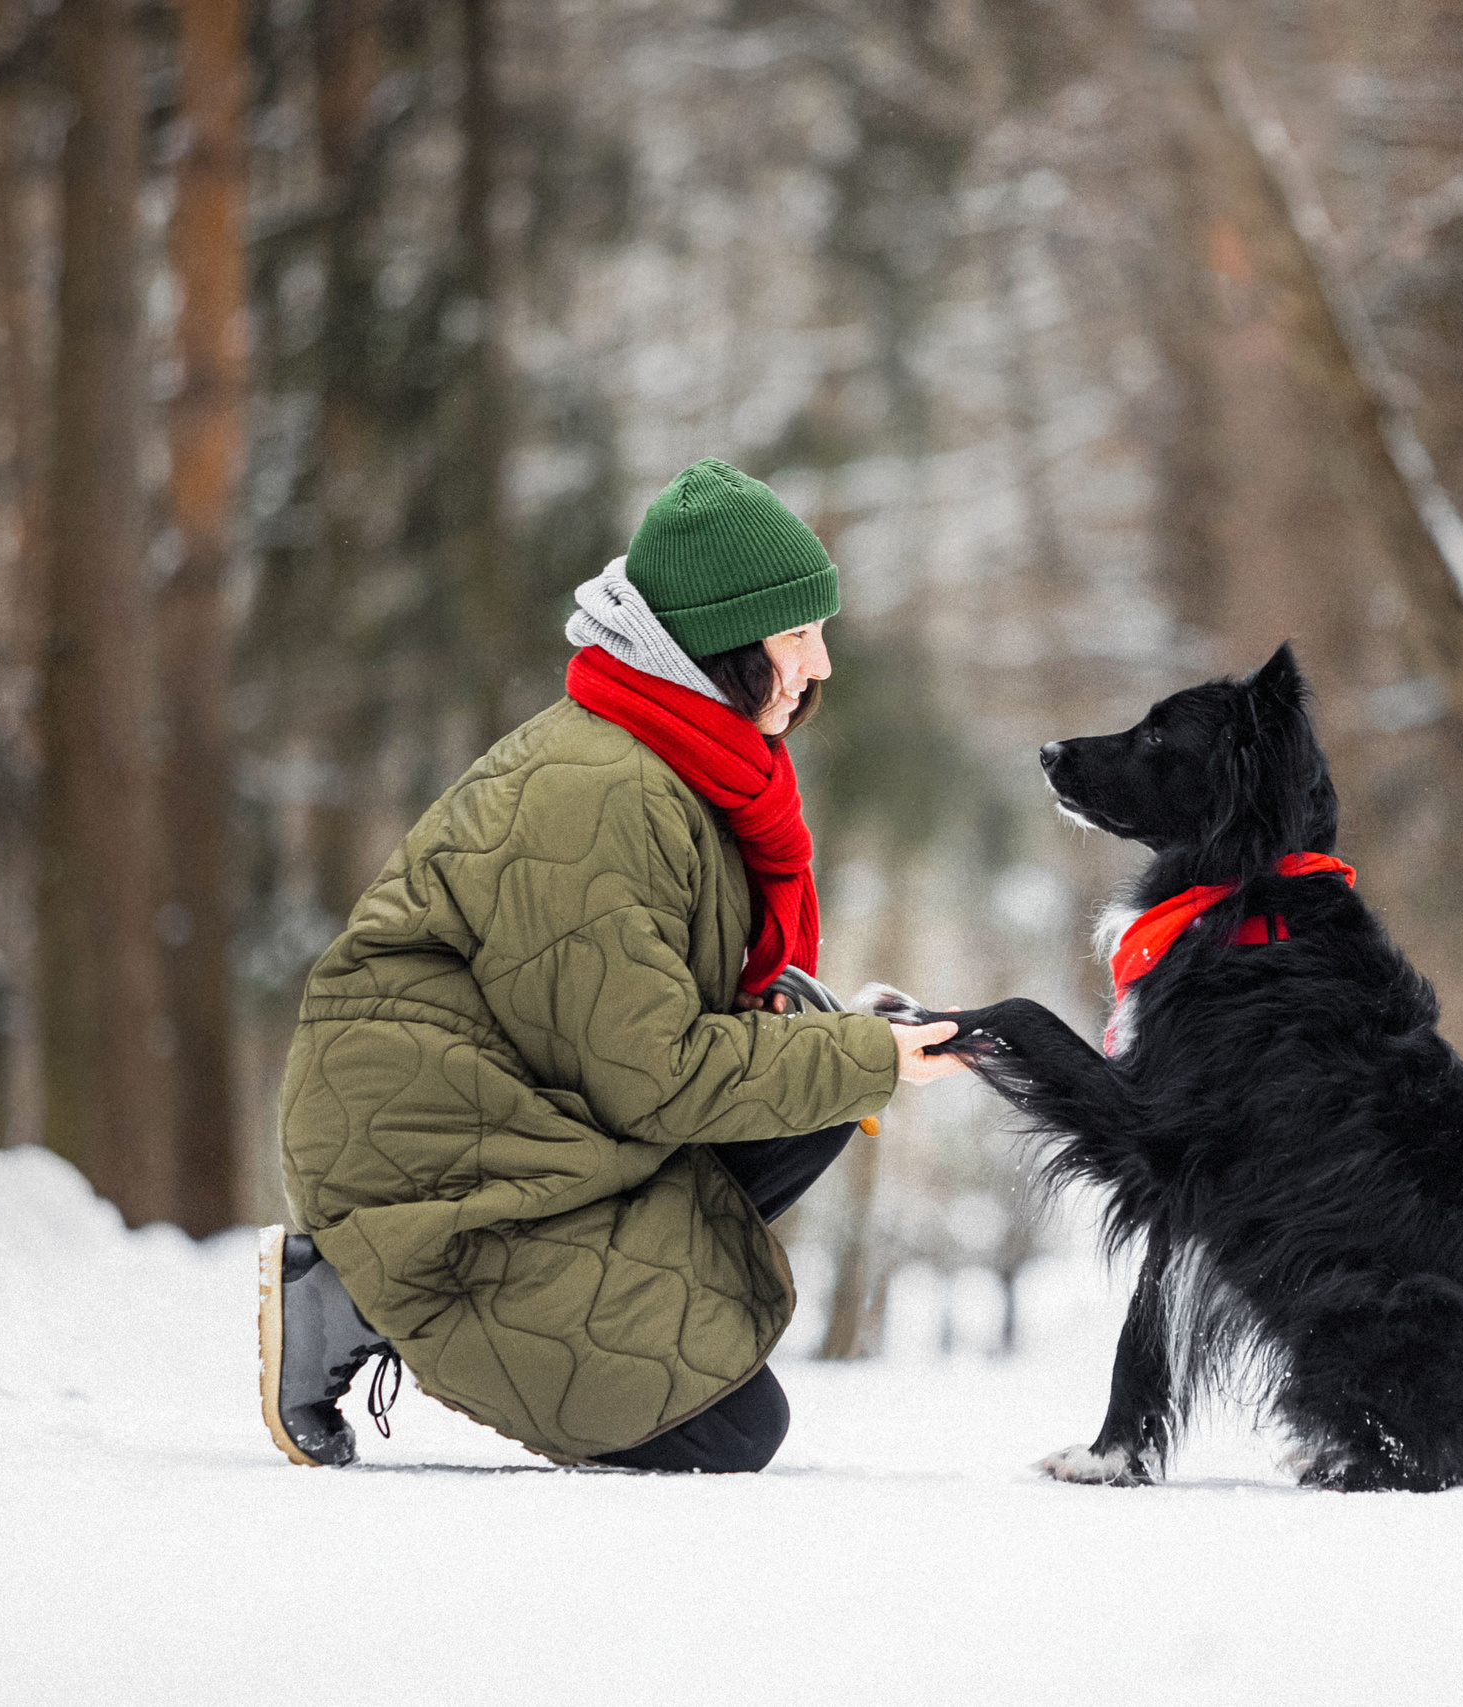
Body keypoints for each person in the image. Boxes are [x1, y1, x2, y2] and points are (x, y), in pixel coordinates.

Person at [256, 459, 964, 1472]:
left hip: (541, 1128)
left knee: (818, 1054)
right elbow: (650, 1075)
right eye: (798, 636)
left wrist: (859, 1045)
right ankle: (352, 1288)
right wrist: (865, 1057)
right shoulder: (598, 795)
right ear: (725, 643)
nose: (821, 666)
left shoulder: (678, 763)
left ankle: (408, 1285)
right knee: (732, 1430)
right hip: (436, 1168)